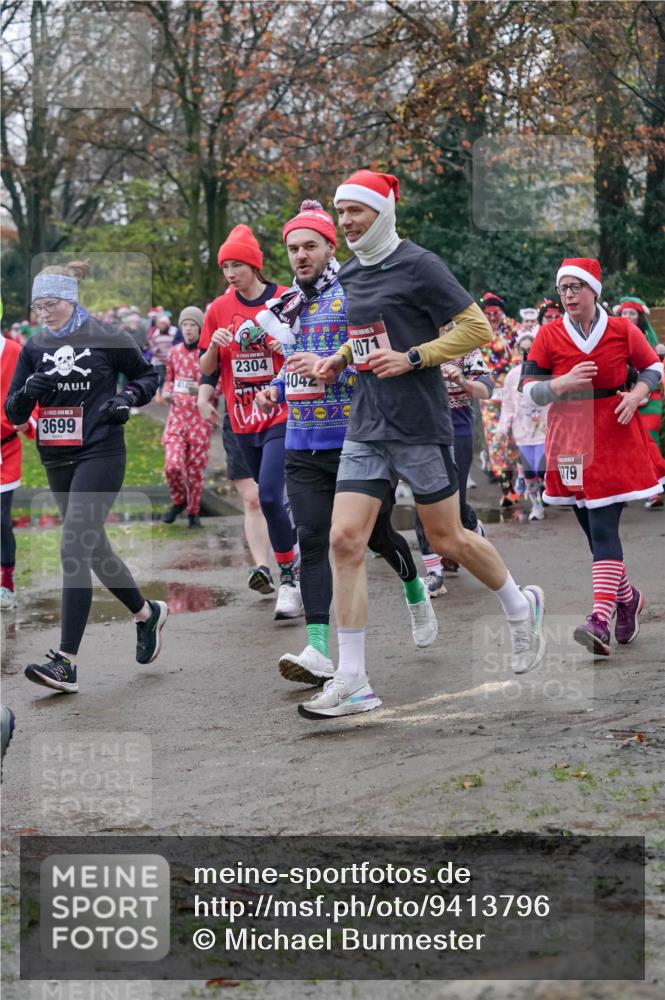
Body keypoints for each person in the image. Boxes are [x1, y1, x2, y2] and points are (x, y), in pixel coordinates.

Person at [301, 170, 546, 718]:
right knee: (344, 540)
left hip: (418, 423)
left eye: (356, 212)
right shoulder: (356, 271)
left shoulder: (420, 264)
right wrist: (339, 358)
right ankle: (354, 679)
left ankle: (519, 603)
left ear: (382, 212)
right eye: (341, 214)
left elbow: (476, 328)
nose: (347, 223)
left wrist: (414, 357)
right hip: (367, 423)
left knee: (448, 536)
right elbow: (368, 329)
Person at [255, 200, 437, 686]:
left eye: (309, 246)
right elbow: (293, 363)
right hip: (301, 439)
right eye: (293, 248)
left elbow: (374, 360)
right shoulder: (287, 305)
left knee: (373, 537)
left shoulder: (353, 293)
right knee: (312, 539)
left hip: (357, 438)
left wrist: (327, 363)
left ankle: (414, 585)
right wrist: (273, 390)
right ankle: (317, 649)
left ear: (329, 246)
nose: (299, 256)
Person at [4, 260, 167, 693]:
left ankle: (66, 661)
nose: (44, 313)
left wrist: (128, 397)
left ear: (70, 299)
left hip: (101, 450)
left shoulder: (107, 336)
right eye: (38, 306)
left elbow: (149, 374)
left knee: (74, 544)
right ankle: (146, 613)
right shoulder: (35, 346)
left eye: (51, 304)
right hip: (56, 458)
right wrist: (28, 393)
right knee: (93, 549)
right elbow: (12, 413)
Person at [521, 257, 665, 656]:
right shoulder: (549, 335)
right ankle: (629, 597)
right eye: (563, 288)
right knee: (590, 528)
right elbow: (528, 388)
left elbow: (653, 367)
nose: (568, 295)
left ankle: (599, 618)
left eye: (576, 287)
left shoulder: (621, 329)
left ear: (594, 291)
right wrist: (561, 383)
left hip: (614, 432)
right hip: (569, 436)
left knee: (603, 527)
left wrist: (637, 394)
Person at [197, 225, 302, 619]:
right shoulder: (218, 309)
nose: (230, 273)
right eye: (225, 266)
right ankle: (293, 558)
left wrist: (283, 344)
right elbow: (206, 367)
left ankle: (289, 578)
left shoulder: (283, 299)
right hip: (241, 420)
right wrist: (214, 346)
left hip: (280, 410)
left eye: (236, 265)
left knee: (271, 495)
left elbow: (304, 346)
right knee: (265, 499)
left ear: (254, 266)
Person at [415, 346, 493, 593]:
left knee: (454, 506)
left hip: (457, 430)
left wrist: (462, 381)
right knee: (424, 501)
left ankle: (471, 526)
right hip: (422, 430)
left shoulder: (465, 345)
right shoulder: (413, 337)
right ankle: (433, 572)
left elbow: (486, 389)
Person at [161, 306, 211, 528]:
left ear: (200, 327)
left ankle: (193, 512)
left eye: (193, 325)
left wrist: (199, 389)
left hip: (200, 421)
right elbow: (169, 379)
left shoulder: (207, 353)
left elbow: (218, 386)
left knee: (195, 471)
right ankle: (179, 500)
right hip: (177, 419)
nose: (188, 329)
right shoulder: (174, 352)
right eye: (185, 325)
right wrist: (166, 390)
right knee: (172, 465)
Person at [613, 297, 664, 509]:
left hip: (649, 398)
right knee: (623, 444)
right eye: (624, 314)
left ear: (640, 317)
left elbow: (655, 369)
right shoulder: (614, 339)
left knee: (649, 440)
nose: (627, 317)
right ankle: (623, 488)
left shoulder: (651, 342)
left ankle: (656, 488)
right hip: (622, 397)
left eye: (632, 313)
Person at [495, 329, 548, 521]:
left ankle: (551, 493)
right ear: (517, 350)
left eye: (530, 349)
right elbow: (508, 405)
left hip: (543, 431)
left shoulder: (546, 370)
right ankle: (537, 506)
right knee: (529, 473)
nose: (526, 354)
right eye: (523, 349)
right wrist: (502, 429)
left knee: (543, 469)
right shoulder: (512, 376)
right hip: (522, 432)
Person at [1, 332, 36, 609]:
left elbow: (31, 390)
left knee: (1, 519)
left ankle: (7, 583)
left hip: (5, 449)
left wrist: (27, 418)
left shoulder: (13, 351)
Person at [478, 292, 520, 507]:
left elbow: (521, 352)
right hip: (489, 394)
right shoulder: (479, 328)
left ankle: (515, 481)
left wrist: (508, 370)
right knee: (496, 439)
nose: (493, 317)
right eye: (488, 314)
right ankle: (506, 488)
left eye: (496, 313)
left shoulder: (513, 327)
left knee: (513, 440)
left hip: (511, 391)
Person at [147, 313, 177, 402]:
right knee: (162, 377)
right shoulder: (155, 334)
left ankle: (168, 395)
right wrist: (155, 349)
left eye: (164, 324)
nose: (162, 326)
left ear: (168, 325)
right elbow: (151, 344)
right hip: (159, 360)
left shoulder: (172, 333)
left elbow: (176, 344)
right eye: (160, 324)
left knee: (170, 378)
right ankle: (159, 395)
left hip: (170, 361)